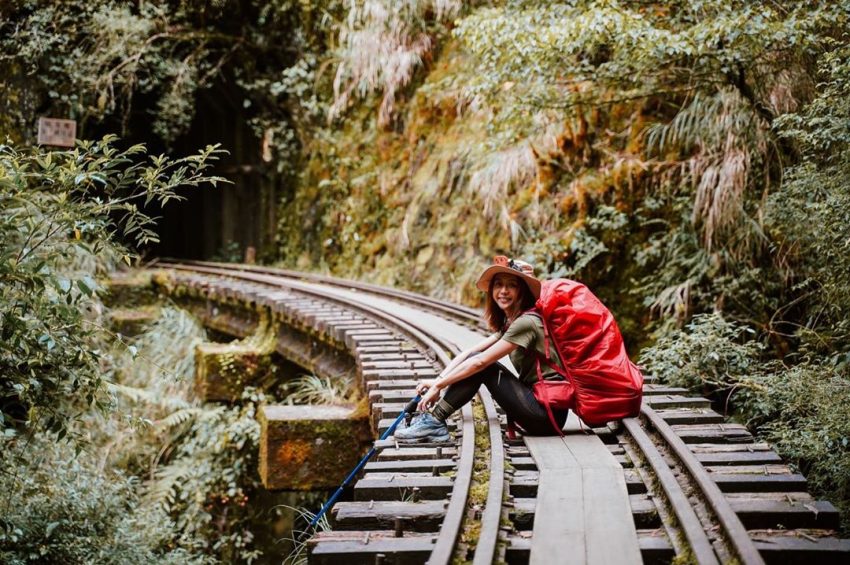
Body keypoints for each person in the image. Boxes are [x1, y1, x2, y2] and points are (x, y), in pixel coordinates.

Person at [394, 256, 569, 443]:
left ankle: (435, 421)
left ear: (522, 291)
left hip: (547, 416)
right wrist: (438, 380)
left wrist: (439, 386)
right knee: (476, 361)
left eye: (512, 285)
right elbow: (468, 354)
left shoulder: (527, 323)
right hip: (540, 407)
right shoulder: (514, 322)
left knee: (484, 367)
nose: (503, 291)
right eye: (498, 284)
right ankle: (433, 421)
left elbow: (480, 362)